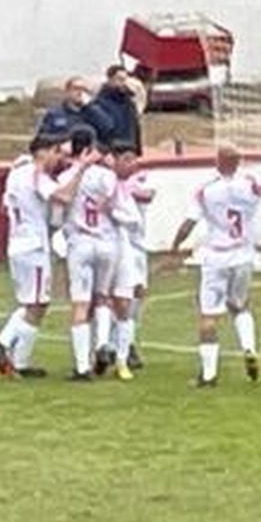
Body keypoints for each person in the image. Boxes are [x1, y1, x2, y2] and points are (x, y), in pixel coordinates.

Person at [168, 144, 261, 387]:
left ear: (218, 161)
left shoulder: (206, 190)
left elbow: (189, 223)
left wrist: (175, 247)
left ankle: (209, 375)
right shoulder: (251, 183)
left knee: (208, 315)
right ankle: (249, 348)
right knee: (240, 305)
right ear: (238, 162)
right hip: (242, 255)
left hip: (216, 257)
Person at [0, 134, 92, 379]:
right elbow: (64, 196)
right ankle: (2, 342)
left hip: (18, 242)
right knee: (35, 303)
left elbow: (4, 206)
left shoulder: (16, 172)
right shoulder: (35, 175)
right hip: (33, 245)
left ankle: (21, 362)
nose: (59, 159)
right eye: (56, 153)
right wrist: (80, 169)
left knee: (36, 302)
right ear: (43, 152)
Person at [60, 137, 126, 381]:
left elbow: (58, 212)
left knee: (80, 304)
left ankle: (81, 367)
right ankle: (102, 344)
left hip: (80, 242)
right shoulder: (107, 176)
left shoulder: (66, 176)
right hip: (107, 241)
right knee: (103, 296)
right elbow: (117, 207)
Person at [107, 144, 155, 379]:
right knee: (117, 297)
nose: (132, 164)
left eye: (134, 159)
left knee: (137, 296)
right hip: (118, 247)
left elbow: (148, 195)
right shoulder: (108, 182)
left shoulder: (138, 180)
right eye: (126, 159)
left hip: (137, 247)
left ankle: (126, 342)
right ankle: (112, 346)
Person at [40, 78, 114, 143]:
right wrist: (67, 137)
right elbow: (43, 137)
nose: (80, 92)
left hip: (88, 152)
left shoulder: (93, 112)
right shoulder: (55, 113)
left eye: (84, 89)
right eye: (76, 88)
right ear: (67, 91)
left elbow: (108, 128)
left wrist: (89, 106)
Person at [92, 65, 143, 154]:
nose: (124, 83)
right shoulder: (99, 104)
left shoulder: (129, 103)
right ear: (110, 79)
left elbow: (136, 128)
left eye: (125, 79)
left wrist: (138, 151)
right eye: (120, 79)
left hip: (130, 151)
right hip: (110, 153)